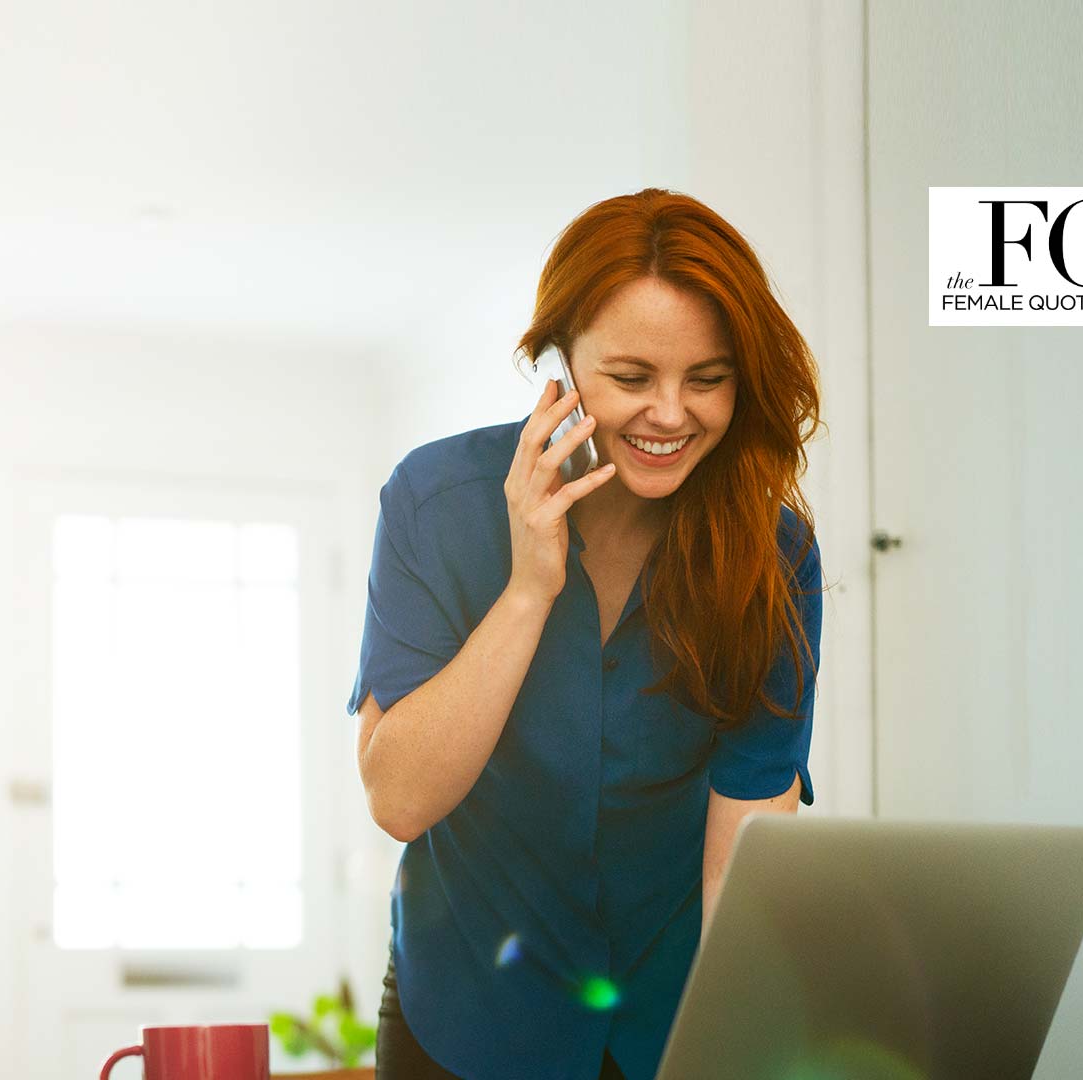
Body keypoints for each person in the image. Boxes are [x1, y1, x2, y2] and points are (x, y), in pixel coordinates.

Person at [347, 188, 826, 1080]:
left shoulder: (775, 557)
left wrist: (742, 1045)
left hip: (666, 1026)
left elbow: (744, 862)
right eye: (633, 378)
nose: (672, 415)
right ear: (560, 366)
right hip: (465, 1020)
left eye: (709, 378)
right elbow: (399, 800)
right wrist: (531, 587)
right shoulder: (436, 503)